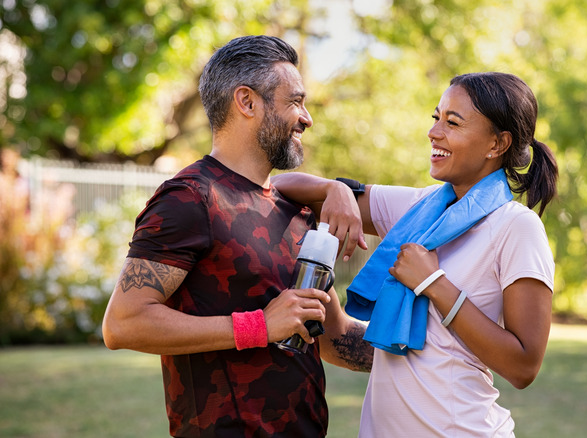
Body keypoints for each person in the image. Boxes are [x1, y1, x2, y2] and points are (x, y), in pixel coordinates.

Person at [101, 35, 373, 438]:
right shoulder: (190, 198)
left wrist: (439, 336)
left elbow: (333, 338)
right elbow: (123, 323)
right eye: (295, 101)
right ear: (247, 102)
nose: (307, 117)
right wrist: (260, 325)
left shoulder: (292, 208)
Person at [273, 71, 558, 437]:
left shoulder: (515, 227)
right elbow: (281, 187)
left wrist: (433, 283)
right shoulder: (419, 207)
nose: (434, 132)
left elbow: (524, 366)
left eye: (452, 123)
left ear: (497, 143)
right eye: (436, 118)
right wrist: (335, 190)